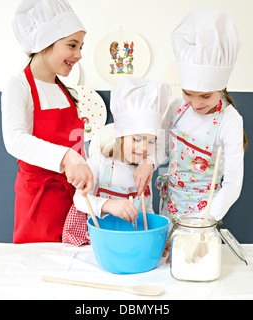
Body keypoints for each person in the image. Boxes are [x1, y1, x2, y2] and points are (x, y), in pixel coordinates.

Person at [1, 0, 94, 244]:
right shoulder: (18, 86)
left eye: (81, 46)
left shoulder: (67, 91)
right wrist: (66, 158)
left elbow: (77, 145)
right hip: (37, 202)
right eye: (72, 45)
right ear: (44, 43)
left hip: (73, 200)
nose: (79, 54)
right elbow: (14, 140)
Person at [157, 8, 247, 228]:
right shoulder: (177, 108)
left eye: (206, 96)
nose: (196, 104)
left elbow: (233, 184)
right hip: (170, 204)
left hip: (205, 210)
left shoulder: (230, 120)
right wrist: (147, 163)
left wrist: (205, 221)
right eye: (188, 93)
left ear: (221, 88)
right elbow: (160, 150)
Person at [62, 76, 172, 245]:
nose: (144, 148)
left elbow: (147, 210)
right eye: (136, 139)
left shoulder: (143, 170)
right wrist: (109, 205)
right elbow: (79, 200)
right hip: (100, 242)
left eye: (151, 141)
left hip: (133, 243)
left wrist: (155, 238)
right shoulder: (99, 162)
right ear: (119, 136)